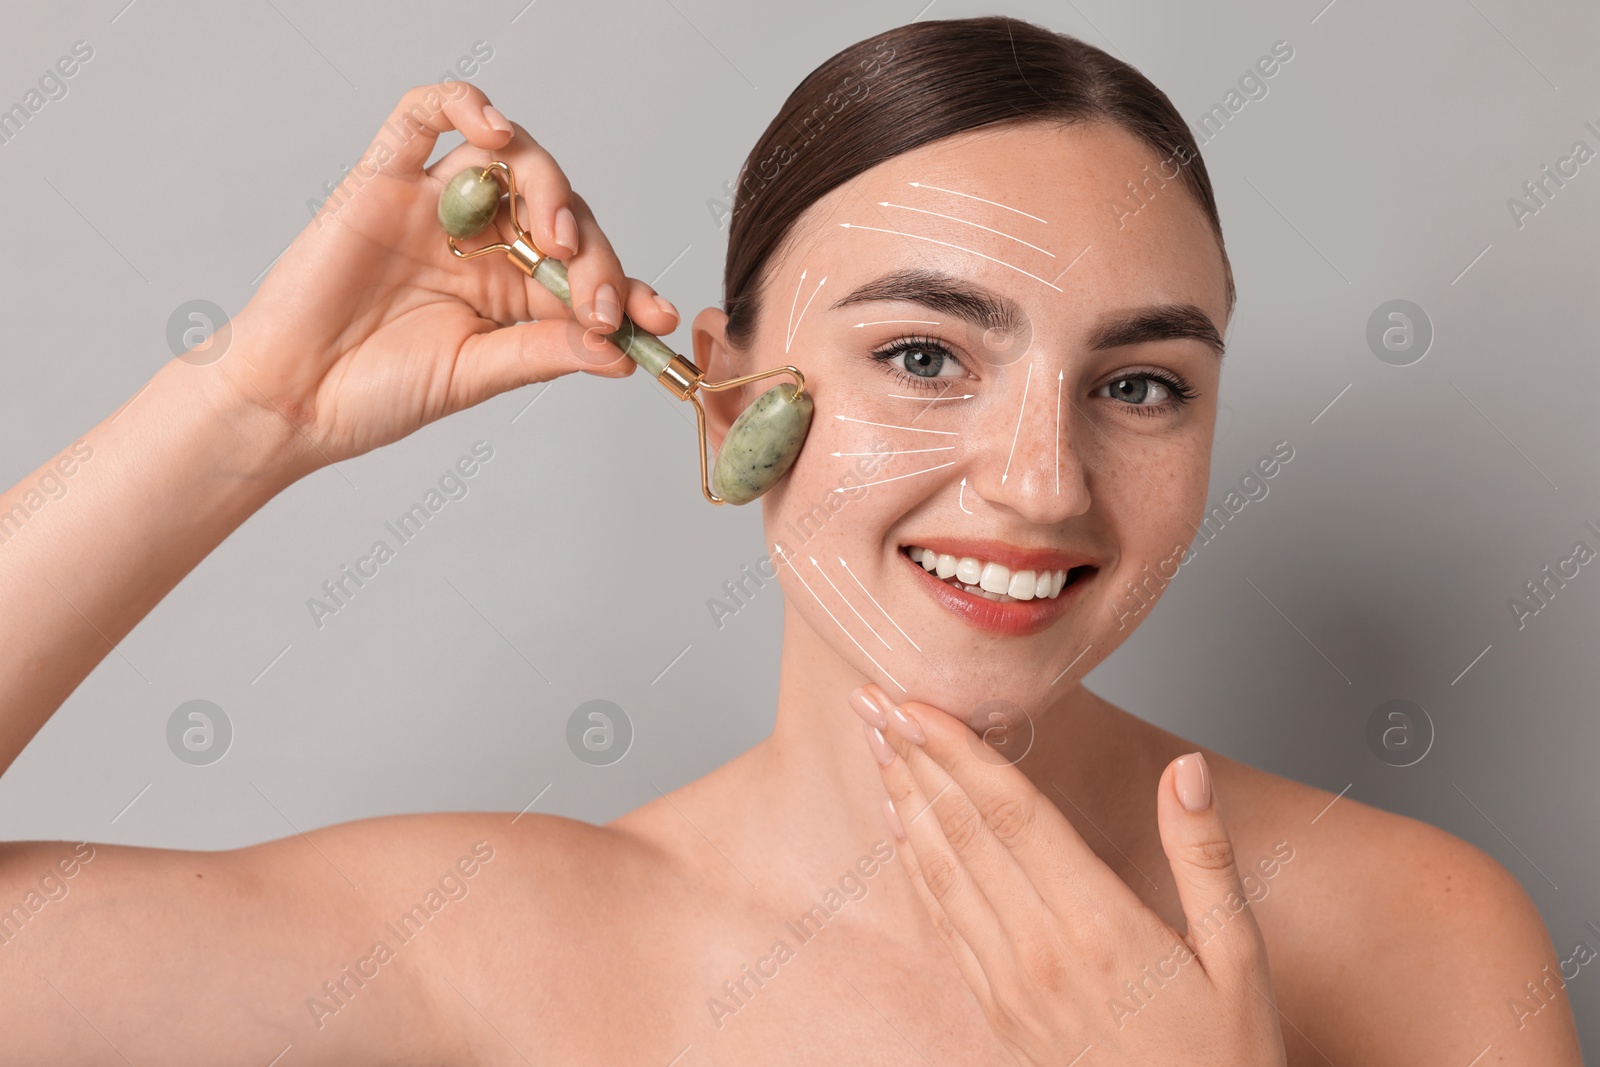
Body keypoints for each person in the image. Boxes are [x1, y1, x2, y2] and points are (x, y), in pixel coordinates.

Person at [0, 15, 1580, 1066]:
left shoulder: (1416, 935)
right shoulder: (480, 950)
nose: (1042, 485)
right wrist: (248, 413)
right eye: (922, 356)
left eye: (1142, 384)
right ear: (724, 401)